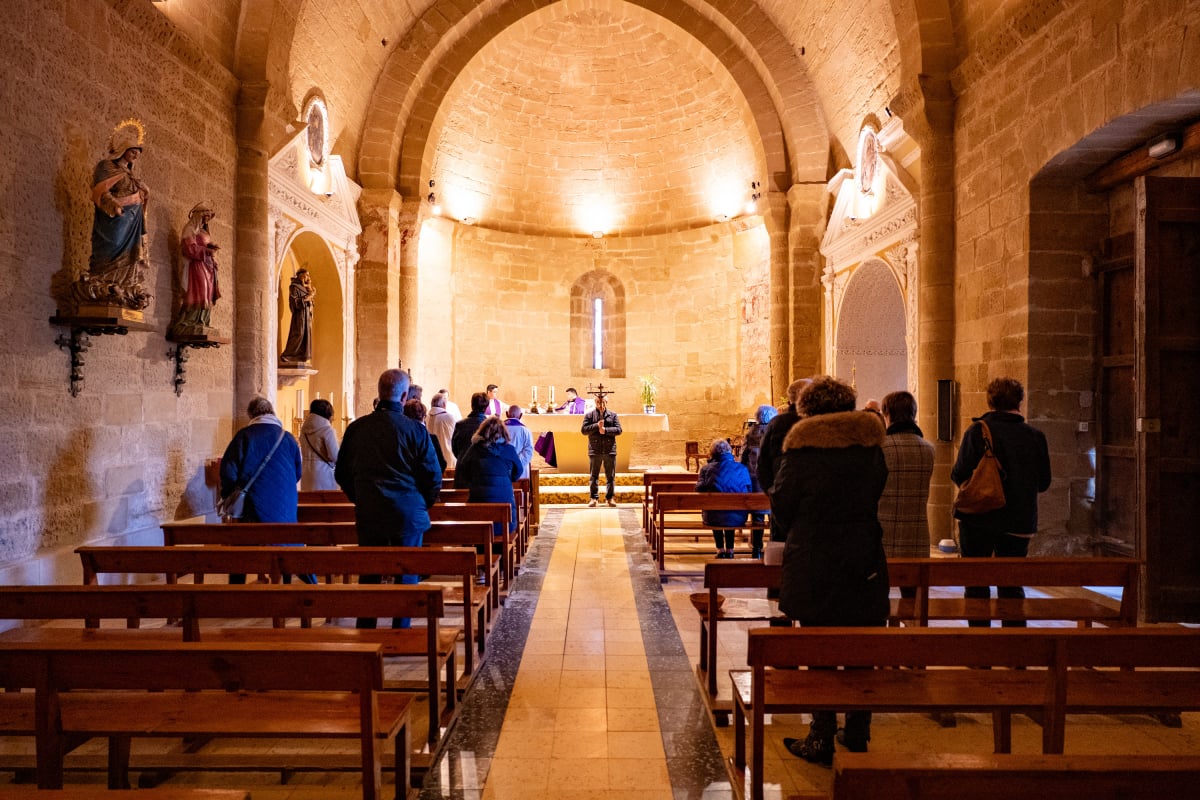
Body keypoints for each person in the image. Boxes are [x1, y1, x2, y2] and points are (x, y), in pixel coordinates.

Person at [773, 376, 889, 764]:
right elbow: (876, 492)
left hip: (814, 559)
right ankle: (858, 731)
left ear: (807, 409)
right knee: (864, 643)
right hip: (863, 556)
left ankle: (821, 736)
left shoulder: (802, 450)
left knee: (818, 646)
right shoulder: (870, 448)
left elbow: (783, 505)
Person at [335, 369, 442, 628]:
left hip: (370, 512)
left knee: (370, 573)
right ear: (404, 396)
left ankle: (366, 631)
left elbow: (342, 473)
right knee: (406, 575)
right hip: (407, 513)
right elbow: (432, 475)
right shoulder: (415, 430)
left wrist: (361, 498)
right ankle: (401, 630)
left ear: (379, 392)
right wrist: (420, 503)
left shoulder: (357, 428)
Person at [950, 377, 1051, 627]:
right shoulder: (1035, 436)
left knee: (976, 584)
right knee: (1012, 585)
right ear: (1019, 401)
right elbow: (1044, 482)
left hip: (978, 519)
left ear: (991, 401)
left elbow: (958, 473)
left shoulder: (977, 431)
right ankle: (1014, 651)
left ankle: (981, 651)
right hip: (1019, 519)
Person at [219, 396, 308, 585]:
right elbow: (298, 473)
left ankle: (237, 587)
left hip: (253, 505)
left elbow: (228, 471)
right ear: (272, 413)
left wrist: (230, 495)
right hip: (284, 507)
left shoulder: (244, 436)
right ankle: (285, 580)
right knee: (284, 540)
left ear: (251, 415)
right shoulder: (288, 438)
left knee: (242, 544)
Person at [75, 119, 152, 311]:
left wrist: (144, 194)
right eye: (133, 150)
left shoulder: (131, 174)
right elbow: (100, 191)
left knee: (130, 254)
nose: (135, 155)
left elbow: (140, 195)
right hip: (115, 219)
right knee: (112, 246)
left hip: (133, 220)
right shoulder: (106, 167)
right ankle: (105, 282)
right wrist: (115, 206)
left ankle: (125, 285)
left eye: (138, 152)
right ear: (123, 149)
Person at [758, 378, 812, 543]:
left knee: (781, 547)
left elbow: (762, 464)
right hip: (809, 498)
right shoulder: (814, 422)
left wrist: (772, 491)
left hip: (781, 495)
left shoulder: (777, 423)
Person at [454, 416, 522, 538]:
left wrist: (475, 480)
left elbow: (463, 470)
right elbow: (518, 471)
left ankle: (482, 551)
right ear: (503, 432)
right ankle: (501, 554)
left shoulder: (474, 449)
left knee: (480, 523)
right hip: (505, 516)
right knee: (504, 519)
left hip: (479, 511)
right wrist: (506, 478)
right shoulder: (509, 449)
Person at [170, 202, 221, 336]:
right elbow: (188, 248)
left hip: (208, 265)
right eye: (205, 217)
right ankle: (190, 320)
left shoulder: (204, 231)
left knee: (208, 293)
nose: (206, 220)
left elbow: (203, 245)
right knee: (200, 291)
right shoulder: (190, 229)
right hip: (197, 265)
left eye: (208, 218)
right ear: (198, 216)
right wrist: (206, 250)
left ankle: (203, 321)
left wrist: (211, 250)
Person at [696, 438, 752, 558]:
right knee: (730, 512)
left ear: (713, 453)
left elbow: (698, 489)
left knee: (716, 510)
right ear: (729, 451)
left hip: (713, 517)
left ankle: (720, 549)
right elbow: (749, 489)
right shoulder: (742, 468)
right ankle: (730, 550)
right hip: (739, 517)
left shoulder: (707, 469)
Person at [740, 404, 779, 559]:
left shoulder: (750, 434)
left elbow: (743, 457)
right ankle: (773, 549)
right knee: (774, 517)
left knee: (757, 518)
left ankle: (756, 549)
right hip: (773, 480)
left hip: (754, 479)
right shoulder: (775, 433)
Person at [581, 394, 622, 507]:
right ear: (595, 402)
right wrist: (596, 426)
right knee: (594, 476)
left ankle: (610, 498)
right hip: (595, 449)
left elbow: (619, 430)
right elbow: (584, 430)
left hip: (609, 450)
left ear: (606, 402)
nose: (601, 404)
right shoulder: (589, 415)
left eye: (603, 402)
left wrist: (606, 430)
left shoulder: (613, 415)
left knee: (610, 476)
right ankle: (594, 498)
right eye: (599, 402)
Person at [299, 398, 340, 491]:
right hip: (323, 474)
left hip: (306, 473)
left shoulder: (303, 430)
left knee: (309, 502)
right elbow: (335, 457)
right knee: (324, 503)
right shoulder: (328, 430)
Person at [280, 269, 315, 364]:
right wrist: (308, 297)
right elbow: (294, 302)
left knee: (305, 336)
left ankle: (300, 356)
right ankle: (287, 355)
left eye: (308, 276)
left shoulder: (306, 288)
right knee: (298, 333)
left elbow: (311, 304)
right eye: (306, 275)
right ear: (300, 275)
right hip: (299, 316)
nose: (307, 278)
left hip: (306, 316)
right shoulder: (294, 287)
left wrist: (309, 289)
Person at [404, 398, 446, 473]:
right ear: (424, 417)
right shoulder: (431, 438)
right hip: (425, 482)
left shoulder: (400, 437)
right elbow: (441, 464)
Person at [452, 392, 489, 460]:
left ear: (472, 405)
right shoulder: (490, 426)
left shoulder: (460, 425)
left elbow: (454, 448)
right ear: (486, 407)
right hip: (482, 468)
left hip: (463, 466)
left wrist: (463, 459)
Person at [427, 392, 458, 469]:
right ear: (444, 404)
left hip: (431, 454)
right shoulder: (449, 417)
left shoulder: (427, 417)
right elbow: (456, 434)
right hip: (447, 453)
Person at [504, 405, 534, 480]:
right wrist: (517, 462)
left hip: (502, 469)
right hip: (520, 472)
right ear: (521, 415)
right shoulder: (525, 430)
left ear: (507, 414)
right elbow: (528, 451)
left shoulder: (498, 428)